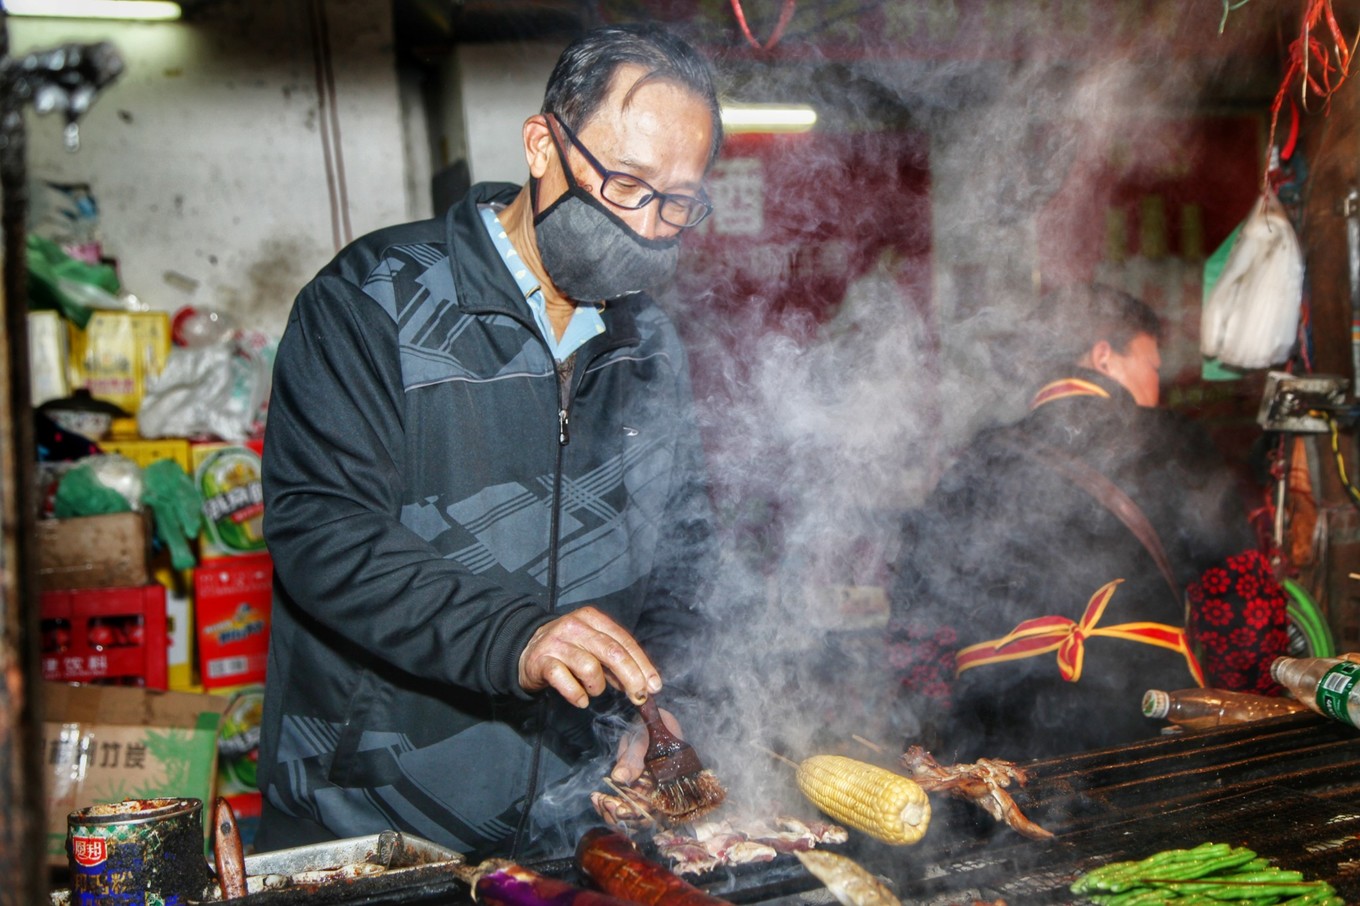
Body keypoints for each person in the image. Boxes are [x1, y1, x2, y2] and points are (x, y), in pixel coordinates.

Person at [254, 23, 723, 859]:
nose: (651, 228)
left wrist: (656, 703)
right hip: (381, 817)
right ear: (543, 144)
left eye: (679, 202)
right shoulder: (373, 303)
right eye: (626, 184)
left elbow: (684, 549)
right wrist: (517, 636)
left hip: (576, 819)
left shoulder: (649, 343)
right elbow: (323, 531)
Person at [888, 283, 1286, 762]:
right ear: (1103, 356)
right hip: (1139, 720)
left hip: (992, 740)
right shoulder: (1174, 441)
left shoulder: (973, 461)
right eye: (1152, 365)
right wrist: (1251, 714)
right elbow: (1241, 602)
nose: (1156, 384)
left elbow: (917, 620)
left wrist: (940, 726)